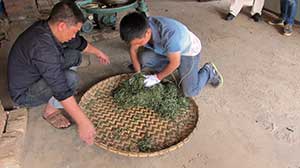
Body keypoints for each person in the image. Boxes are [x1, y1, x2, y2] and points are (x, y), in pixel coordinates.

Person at [7, 1, 110, 145]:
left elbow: (77, 43)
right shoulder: (42, 48)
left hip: (36, 72)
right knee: (70, 79)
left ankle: (55, 99)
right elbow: (60, 87)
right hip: (24, 93)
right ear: (62, 26)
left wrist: (98, 52)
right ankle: (50, 110)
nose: (74, 35)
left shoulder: (48, 27)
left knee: (75, 55)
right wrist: (84, 123)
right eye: (74, 31)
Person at [119, 12, 223, 97]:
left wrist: (157, 78)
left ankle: (208, 71)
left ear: (148, 33)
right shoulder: (141, 28)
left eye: (139, 43)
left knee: (190, 91)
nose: (137, 45)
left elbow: (175, 63)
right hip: (168, 51)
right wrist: (138, 74)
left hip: (187, 52)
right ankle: (180, 69)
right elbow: (133, 50)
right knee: (144, 59)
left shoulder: (170, 35)